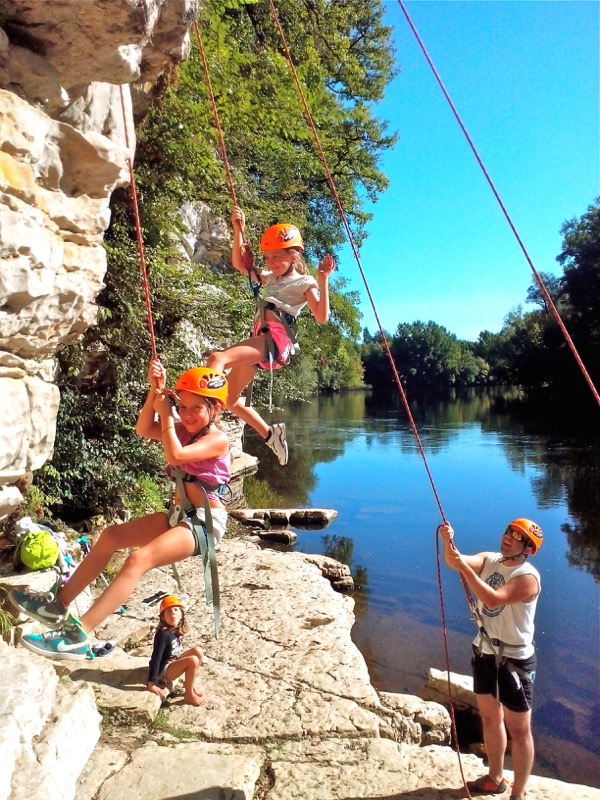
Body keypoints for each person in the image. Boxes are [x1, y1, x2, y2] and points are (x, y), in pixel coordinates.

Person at [10, 360, 231, 661]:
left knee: (138, 560)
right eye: (183, 406)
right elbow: (144, 428)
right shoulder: (183, 430)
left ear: (215, 409)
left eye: (197, 408)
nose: (188, 414)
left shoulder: (217, 440)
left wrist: (168, 415)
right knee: (111, 536)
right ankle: (57, 605)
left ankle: (78, 636)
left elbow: (175, 455)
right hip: (179, 516)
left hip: (204, 524)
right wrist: (154, 393)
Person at [206, 206, 336, 466]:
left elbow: (322, 316)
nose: (271, 262)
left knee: (217, 359)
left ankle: (203, 420)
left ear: (293, 255)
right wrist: (238, 229)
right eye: (268, 257)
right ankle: (270, 434)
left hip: (274, 341)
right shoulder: (270, 278)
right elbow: (239, 264)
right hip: (262, 340)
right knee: (230, 399)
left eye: (277, 257)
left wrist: (323, 280)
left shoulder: (304, 282)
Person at [439, 518, 543, 800]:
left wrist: (464, 570)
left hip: (515, 661)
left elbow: (494, 598)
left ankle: (517, 794)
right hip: (485, 651)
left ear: (528, 549)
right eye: (509, 531)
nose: (508, 537)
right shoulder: (490, 559)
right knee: (489, 718)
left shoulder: (527, 577)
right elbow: (455, 561)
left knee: (519, 730)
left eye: (517, 537)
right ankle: (495, 777)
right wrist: (448, 541)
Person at [147, 595, 205, 707]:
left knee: (197, 651)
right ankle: (189, 694)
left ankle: (190, 683)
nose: (172, 613)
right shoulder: (163, 635)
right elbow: (155, 658)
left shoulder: (176, 629)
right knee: (193, 660)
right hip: (163, 671)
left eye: (175, 610)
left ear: (181, 614)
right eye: (168, 611)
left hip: (172, 661)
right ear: (163, 617)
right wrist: (151, 683)